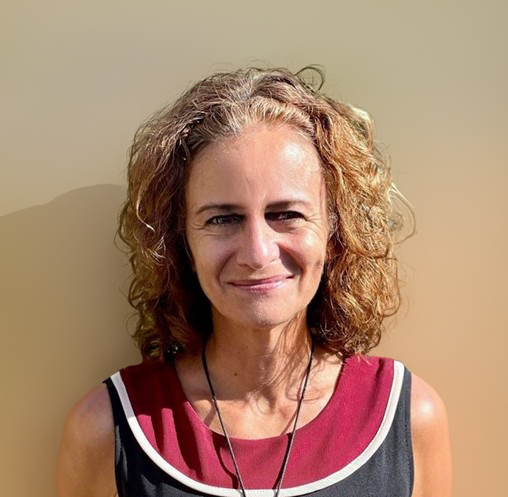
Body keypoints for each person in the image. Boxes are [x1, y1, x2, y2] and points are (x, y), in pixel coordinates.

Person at [56, 66, 452, 497]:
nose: (258, 253)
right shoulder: (108, 429)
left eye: (286, 214)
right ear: (181, 240)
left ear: (335, 231)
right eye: (223, 219)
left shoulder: (408, 419)